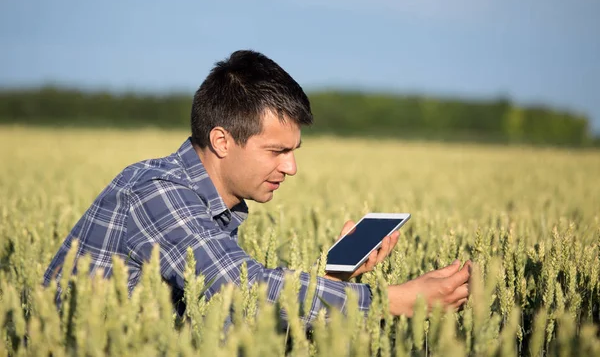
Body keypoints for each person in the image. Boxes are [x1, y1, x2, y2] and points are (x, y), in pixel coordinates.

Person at [43, 49, 471, 323]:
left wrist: (337, 277)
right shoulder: (158, 193)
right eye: (276, 151)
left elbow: (227, 315)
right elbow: (246, 291)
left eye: (293, 150)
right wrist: (395, 301)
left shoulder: (210, 205)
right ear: (222, 141)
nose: (292, 167)